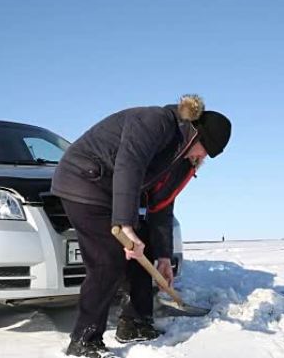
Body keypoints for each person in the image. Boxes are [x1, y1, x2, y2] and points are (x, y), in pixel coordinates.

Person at [51, 94, 231, 358]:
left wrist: (164, 257)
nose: (203, 156)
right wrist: (125, 224)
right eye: (206, 150)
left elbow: (162, 204)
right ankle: (84, 340)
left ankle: (134, 322)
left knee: (142, 249)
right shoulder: (155, 122)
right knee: (107, 261)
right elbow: (129, 165)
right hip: (83, 182)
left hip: (110, 190)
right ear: (197, 137)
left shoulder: (180, 156)